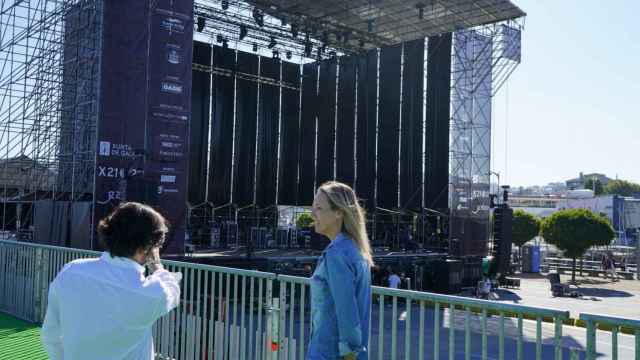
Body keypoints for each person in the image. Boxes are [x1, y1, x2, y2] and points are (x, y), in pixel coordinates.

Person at [41, 202, 182, 360]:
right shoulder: (151, 294)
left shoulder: (71, 271)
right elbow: (172, 289)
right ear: (147, 247)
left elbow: (50, 336)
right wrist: (157, 266)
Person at [307, 181, 373, 360]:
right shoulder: (356, 250)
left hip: (329, 354)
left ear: (339, 212)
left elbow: (348, 315)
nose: (312, 213)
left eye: (319, 208)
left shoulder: (337, 254)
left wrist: (349, 354)